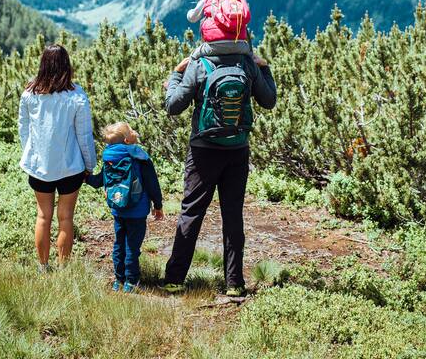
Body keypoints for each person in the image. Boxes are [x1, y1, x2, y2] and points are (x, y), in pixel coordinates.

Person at [162, 29, 277, 296]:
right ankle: (234, 283)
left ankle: (175, 279)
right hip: (237, 149)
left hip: (203, 151)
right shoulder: (246, 63)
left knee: (192, 212)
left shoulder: (198, 64)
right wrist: (265, 68)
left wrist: (176, 74)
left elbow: (173, 106)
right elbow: (269, 100)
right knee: (233, 216)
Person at [18, 44, 95, 272]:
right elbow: (84, 135)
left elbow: (24, 129)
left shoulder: (29, 95)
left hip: (39, 166)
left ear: (43, 64)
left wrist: (30, 154)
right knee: (66, 218)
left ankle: (43, 266)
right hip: (70, 167)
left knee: (43, 216)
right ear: (66, 65)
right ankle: (63, 268)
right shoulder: (77, 96)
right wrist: (89, 165)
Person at [84, 121, 164, 293]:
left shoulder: (109, 157)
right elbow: (152, 183)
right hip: (137, 211)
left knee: (119, 244)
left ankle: (118, 280)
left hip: (118, 210)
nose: (134, 132)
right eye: (131, 131)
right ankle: (131, 282)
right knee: (132, 247)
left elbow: (99, 181)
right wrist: (158, 205)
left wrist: (86, 176)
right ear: (127, 140)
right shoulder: (139, 156)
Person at [184, 0, 255, 61]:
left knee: (192, 61)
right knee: (254, 62)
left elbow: (192, 18)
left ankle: (179, 73)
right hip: (240, 45)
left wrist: (189, 13)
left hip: (214, 46)